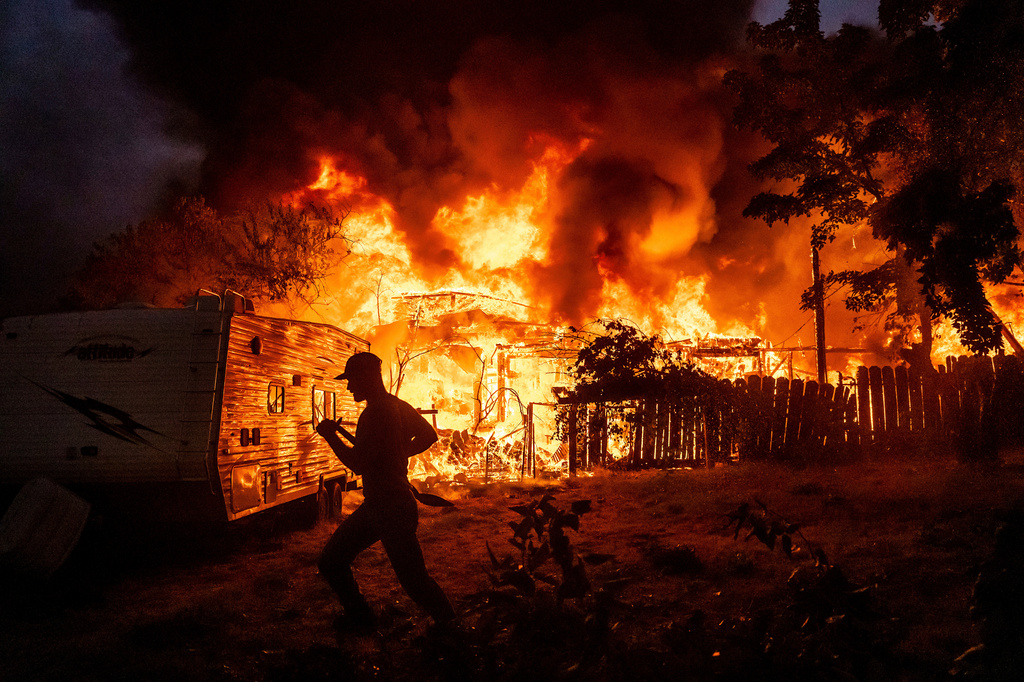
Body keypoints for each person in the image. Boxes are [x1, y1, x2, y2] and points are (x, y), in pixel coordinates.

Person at [315, 352, 455, 629]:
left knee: (413, 580)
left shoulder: (374, 413)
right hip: (386, 503)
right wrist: (399, 452)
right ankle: (362, 619)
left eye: (351, 380)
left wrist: (330, 435)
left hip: (387, 506)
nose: (348, 387)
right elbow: (428, 435)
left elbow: (357, 463)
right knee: (334, 561)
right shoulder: (396, 405)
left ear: (366, 377)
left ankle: (451, 627)